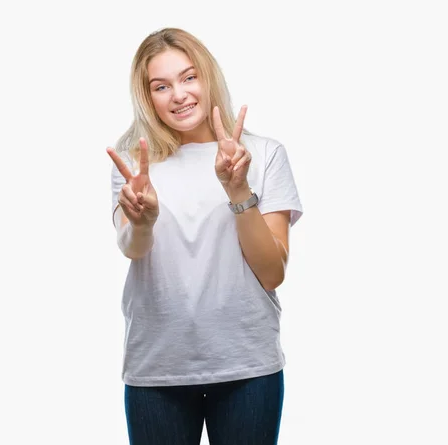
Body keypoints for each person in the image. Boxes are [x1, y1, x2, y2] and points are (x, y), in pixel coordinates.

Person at [106, 27, 303, 445]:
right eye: (162, 86)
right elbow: (131, 247)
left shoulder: (263, 154)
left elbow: (272, 272)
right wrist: (141, 221)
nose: (179, 95)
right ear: (148, 97)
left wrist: (237, 190)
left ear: (208, 78)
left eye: (189, 78)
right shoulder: (133, 162)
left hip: (248, 367)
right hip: (157, 366)